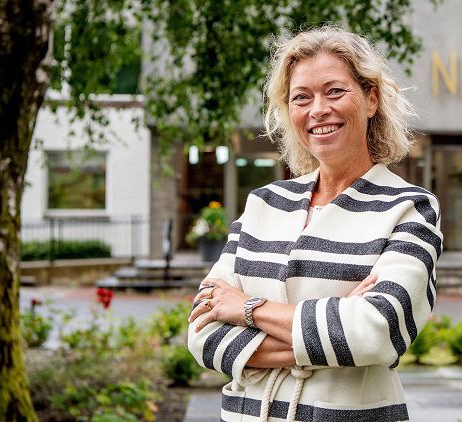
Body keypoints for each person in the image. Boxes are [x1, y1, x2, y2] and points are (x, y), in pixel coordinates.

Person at [184, 26, 438, 421]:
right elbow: (203, 334)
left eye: (334, 91)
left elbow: (379, 332)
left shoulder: (408, 208)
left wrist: (247, 310)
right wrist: (337, 327)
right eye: (301, 97)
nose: (318, 109)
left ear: (371, 99)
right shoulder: (263, 204)